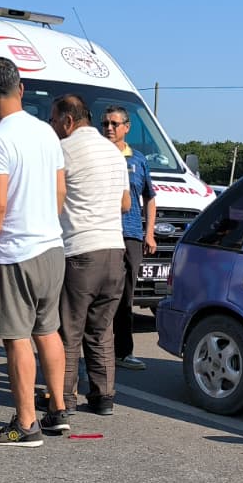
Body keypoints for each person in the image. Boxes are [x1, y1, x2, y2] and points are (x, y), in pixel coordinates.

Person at [0, 56, 66, 446]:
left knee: (16, 337)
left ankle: (26, 424)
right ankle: (58, 410)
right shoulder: (46, 132)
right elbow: (60, 190)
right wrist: (45, 224)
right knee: (48, 330)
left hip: (14, 252)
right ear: (21, 89)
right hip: (52, 247)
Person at [50, 95, 128, 415]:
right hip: (115, 250)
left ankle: (63, 399)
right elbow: (125, 203)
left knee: (69, 331)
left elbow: (52, 196)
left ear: (68, 121)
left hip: (81, 251)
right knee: (102, 330)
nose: (52, 126)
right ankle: (104, 397)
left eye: (54, 120)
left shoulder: (63, 150)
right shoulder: (114, 153)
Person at [102, 105, 156, 370]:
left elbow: (150, 197)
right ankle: (97, 352)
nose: (109, 128)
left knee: (126, 296)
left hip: (131, 234)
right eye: (105, 124)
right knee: (101, 294)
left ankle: (124, 352)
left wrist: (149, 232)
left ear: (127, 127)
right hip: (102, 233)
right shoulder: (97, 155)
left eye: (114, 124)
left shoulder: (138, 160)